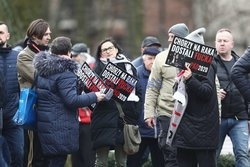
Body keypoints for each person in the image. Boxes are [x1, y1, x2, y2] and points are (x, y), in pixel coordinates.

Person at [33, 36, 105, 167]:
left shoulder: (42, 68)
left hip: (45, 124)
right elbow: (71, 100)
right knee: (57, 161)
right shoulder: (66, 71)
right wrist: (95, 96)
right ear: (68, 52)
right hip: (60, 127)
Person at [144, 23, 189, 166]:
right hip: (166, 112)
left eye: (173, 36)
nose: (169, 40)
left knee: (186, 154)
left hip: (187, 114)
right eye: (169, 36)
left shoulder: (193, 57)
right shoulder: (161, 57)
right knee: (169, 150)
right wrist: (149, 112)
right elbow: (152, 87)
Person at [173, 28, 219, 167]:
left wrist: (190, 79)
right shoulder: (185, 67)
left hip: (203, 131)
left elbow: (207, 92)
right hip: (185, 129)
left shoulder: (207, 66)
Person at [92, 38, 140, 167]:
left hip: (123, 116)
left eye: (110, 48)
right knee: (101, 161)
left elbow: (135, 90)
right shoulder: (96, 68)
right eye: (104, 50)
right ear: (100, 53)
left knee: (122, 162)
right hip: (103, 116)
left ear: (117, 49)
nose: (107, 51)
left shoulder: (128, 65)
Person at [17, 18, 51, 167]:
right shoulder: (24, 56)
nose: (49, 37)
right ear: (35, 36)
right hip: (33, 109)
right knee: (32, 155)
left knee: (46, 154)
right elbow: (39, 78)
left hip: (48, 109)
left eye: (49, 34)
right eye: (45, 34)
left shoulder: (49, 53)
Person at [214, 28, 249, 167]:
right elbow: (202, 89)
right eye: (219, 41)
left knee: (242, 155)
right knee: (212, 156)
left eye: (225, 41)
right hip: (217, 119)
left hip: (239, 118)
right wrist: (214, 95)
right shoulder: (209, 64)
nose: (222, 43)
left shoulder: (243, 63)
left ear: (232, 44)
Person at [127, 47, 164, 167]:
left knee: (160, 162)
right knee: (134, 162)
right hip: (139, 130)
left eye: (155, 59)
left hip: (158, 130)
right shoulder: (135, 75)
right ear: (143, 60)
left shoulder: (164, 75)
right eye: (149, 58)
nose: (152, 61)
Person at [0, 21, 24, 167]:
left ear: (8, 36)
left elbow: (26, 86)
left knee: (18, 155)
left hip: (14, 118)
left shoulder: (17, 57)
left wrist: (21, 110)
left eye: (1, 33)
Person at [70, 42, 96, 167]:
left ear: (83, 55)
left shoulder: (93, 68)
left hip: (89, 121)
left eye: (76, 56)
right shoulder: (72, 70)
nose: (73, 58)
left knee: (88, 156)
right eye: (72, 56)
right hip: (75, 120)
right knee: (76, 157)